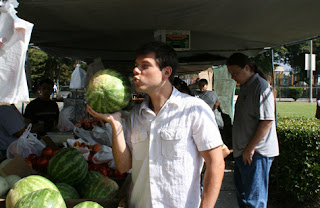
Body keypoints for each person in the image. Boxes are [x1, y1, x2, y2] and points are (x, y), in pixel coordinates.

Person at [87, 41, 225, 208]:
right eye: (136, 65)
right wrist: (115, 124)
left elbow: (216, 163)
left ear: (166, 72)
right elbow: (124, 166)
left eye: (145, 66)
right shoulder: (136, 116)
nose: (136, 71)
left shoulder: (194, 110)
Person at [226, 53, 279, 208]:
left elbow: (267, 121)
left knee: (254, 200)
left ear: (247, 68)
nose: (233, 77)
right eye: (231, 74)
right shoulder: (245, 86)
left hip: (256, 153)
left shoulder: (261, 87)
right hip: (244, 152)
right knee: (243, 196)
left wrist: (250, 149)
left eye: (235, 73)